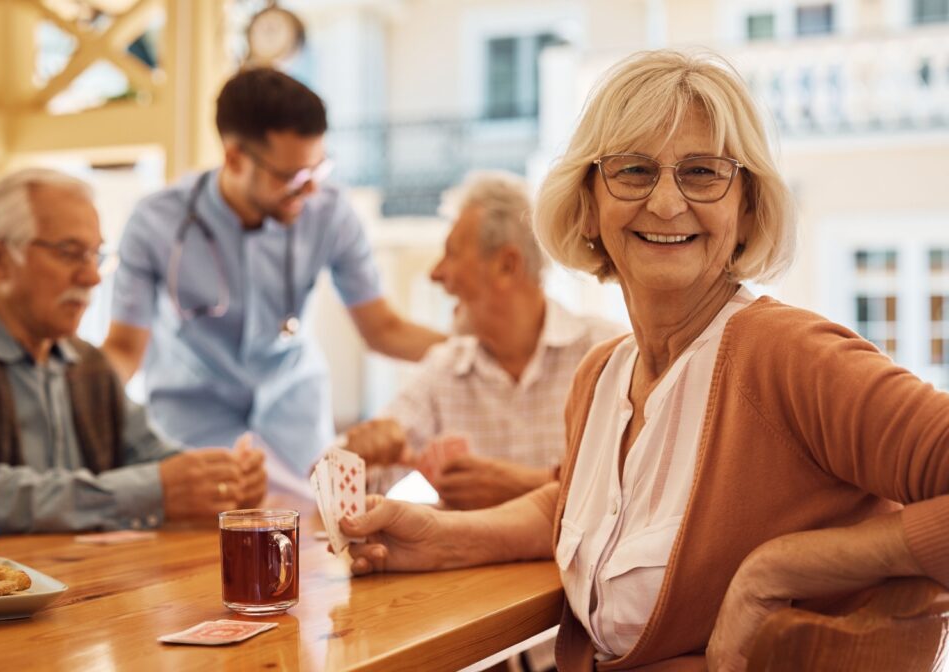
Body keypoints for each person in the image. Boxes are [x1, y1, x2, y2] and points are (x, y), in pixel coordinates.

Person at [335, 50, 949, 671]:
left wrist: (775, 568)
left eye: (703, 172)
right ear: (589, 207)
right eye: (633, 170)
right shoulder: (601, 374)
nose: (664, 203)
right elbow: (580, 506)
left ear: (747, 210)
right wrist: (441, 539)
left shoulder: (787, 356)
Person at [103, 68, 444, 477]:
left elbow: (384, 328)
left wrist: (478, 351)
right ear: (234, 159)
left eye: (318, 170)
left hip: (296, 426)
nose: (310, 190)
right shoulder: (155, 222)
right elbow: (124, 349)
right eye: (292, 177)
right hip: (192, 430)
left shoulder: (331, 212)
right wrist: (69, 396)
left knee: (311, 537)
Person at [0, 169, 266, 534]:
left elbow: (153, 456)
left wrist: (221, 480)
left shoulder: (89, 364)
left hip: (94, 584)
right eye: (70, 253)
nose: (93, 278)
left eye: (96, 256)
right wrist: (151, 491)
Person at [343, 170, 627, 509]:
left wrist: (520, 486)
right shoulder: (444, 367)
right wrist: (357, 456)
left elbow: (634, 489)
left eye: (451, 253)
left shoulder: (607, 355)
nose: (436, 274)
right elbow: (345, 486)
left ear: (507, 266)